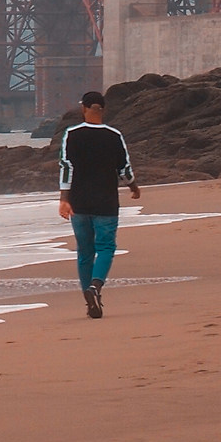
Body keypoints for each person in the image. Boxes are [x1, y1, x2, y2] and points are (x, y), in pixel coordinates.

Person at [58, 90, 140, 319]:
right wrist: (133, 187)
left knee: (85, 252)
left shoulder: (71, 134)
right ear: (103, 109)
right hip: (106, 203)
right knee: (105, 248)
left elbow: (66, 167)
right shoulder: (114, 136)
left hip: (79, 203)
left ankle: (90, 300)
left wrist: (64, 199)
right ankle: (96, 287)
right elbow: (124, 170)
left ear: (83, 108)